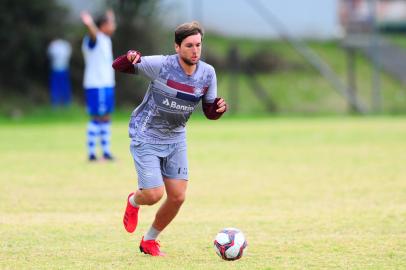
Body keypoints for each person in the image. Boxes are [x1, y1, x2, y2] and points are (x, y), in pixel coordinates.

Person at [112, 21, 227, 256]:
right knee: (154, 195)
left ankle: (149, 241)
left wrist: (218, 110)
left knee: (177, 197)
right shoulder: (162, 65)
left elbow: (209, 111)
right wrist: (129, 58)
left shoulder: (207, 73)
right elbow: (119, 66)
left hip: (176, 138)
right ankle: (134, 201)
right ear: (177, 47)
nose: (195, 51)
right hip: (146, 134)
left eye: (198, 45)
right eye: (189, 46)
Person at [81, 9, 116, 161]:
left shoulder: (106, 40)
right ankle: (92, 153)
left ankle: (106, 152)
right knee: (97, 117)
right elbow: (93, 34)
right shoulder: (94, 39)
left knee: (106, 116)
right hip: (97, 85)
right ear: (102, 25)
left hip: (107, 84)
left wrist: (110, 15)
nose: (114, 26)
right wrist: (89, 23)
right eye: (111, 22)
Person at [47, 38, 72, 107]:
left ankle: (65, 103)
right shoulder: (62, 45)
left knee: (62, 86)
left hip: (62, 69)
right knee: (57, 87)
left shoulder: (55, 45)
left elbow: (50, 55)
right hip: (56, 69)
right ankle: (56, 103)